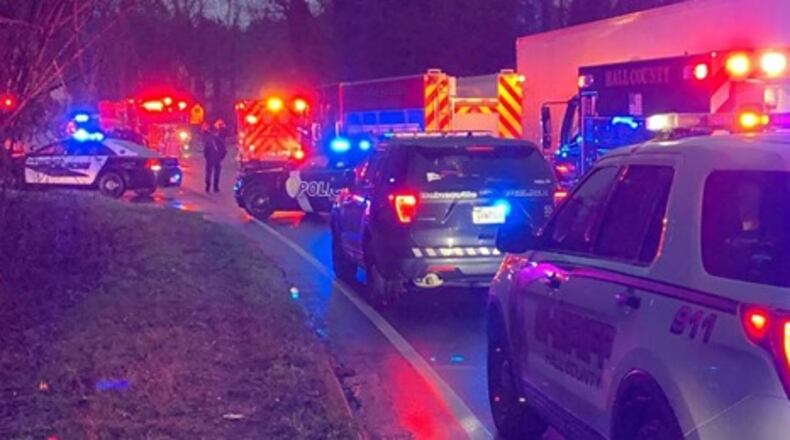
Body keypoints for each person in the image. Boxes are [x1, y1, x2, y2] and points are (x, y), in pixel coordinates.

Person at [202, 124, 227, 193]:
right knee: (217, 173)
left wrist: (207, 157)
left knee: (208, 173)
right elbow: (224, 150)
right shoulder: (220, 140)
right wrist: (221, 158)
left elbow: (205, 151)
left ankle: (208, 186)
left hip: (210, 158)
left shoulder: (209, 140)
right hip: (218, 158)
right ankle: (215, 187)